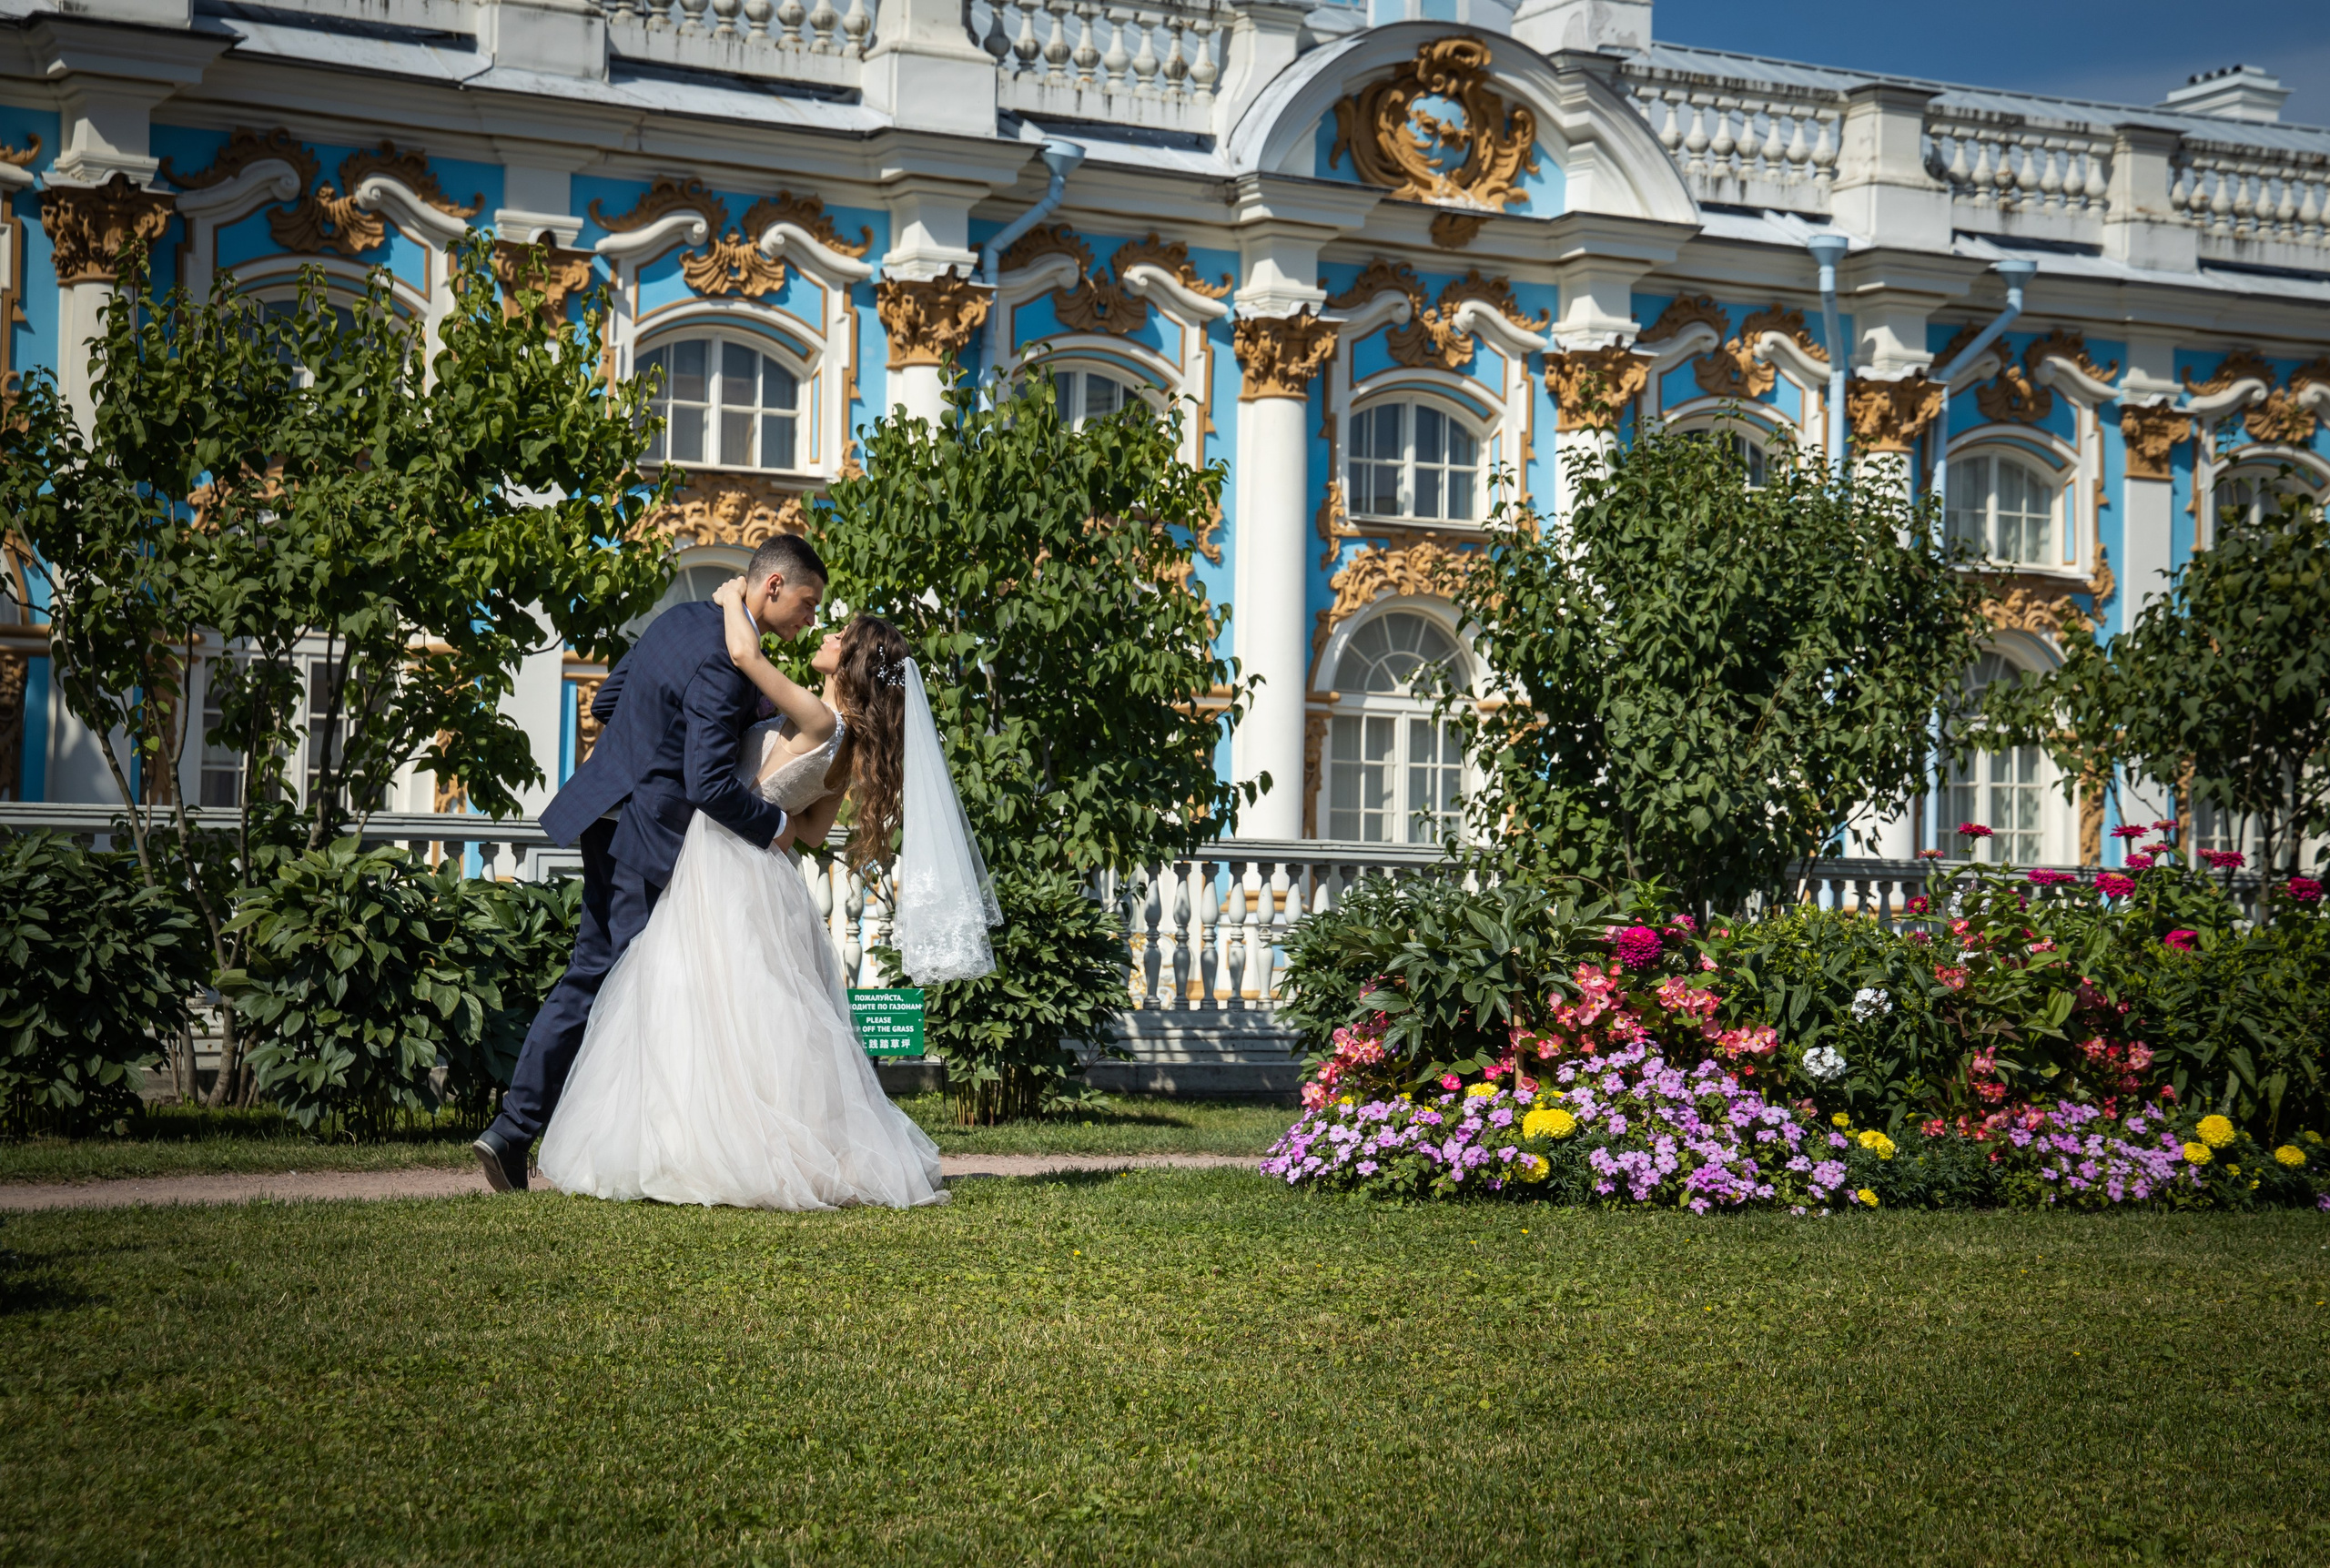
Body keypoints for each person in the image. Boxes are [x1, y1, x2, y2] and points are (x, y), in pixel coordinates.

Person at [533, 576, 998, 1209]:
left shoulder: (814, 712)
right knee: (748, 1011)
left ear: (852, 662)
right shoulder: (846, 743)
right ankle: (727, 1140)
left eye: (842, 636)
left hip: (724, 856)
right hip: (763, 867)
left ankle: (688, 1142)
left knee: (688, 998)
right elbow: (806, 830)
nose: (827, 632)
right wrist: (773, 811)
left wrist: (729, 600)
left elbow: (747, 658)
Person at [471, 535, 824, 1193]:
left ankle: (516, 1131)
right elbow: (712, 784)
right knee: (636, 985)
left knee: (595, 973)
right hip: (648, 834)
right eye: (807, 603)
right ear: (772, 587)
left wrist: (648, 751)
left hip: (606, 811)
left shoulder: (680, 619)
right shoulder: (726, 661)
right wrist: (778, 826)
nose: (810, 619)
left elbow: (608, 702)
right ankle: (584, 1140)